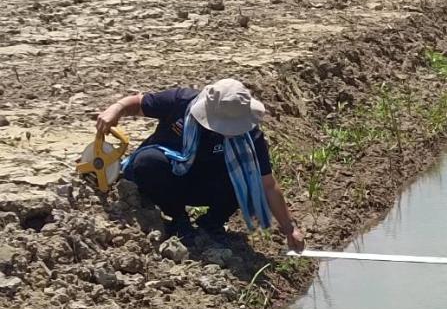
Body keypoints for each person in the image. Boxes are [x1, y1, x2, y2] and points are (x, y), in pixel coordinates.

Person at [96, 79, 304, 251]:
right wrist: (116, 109)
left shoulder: (250, 135)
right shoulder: (181, 101)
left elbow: (267, 184)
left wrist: (289, 228)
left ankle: (211, 223)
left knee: (247, 177)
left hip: (208, 186)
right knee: (148, 162)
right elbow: (139, 103)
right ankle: (178, 220)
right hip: (171, 179)